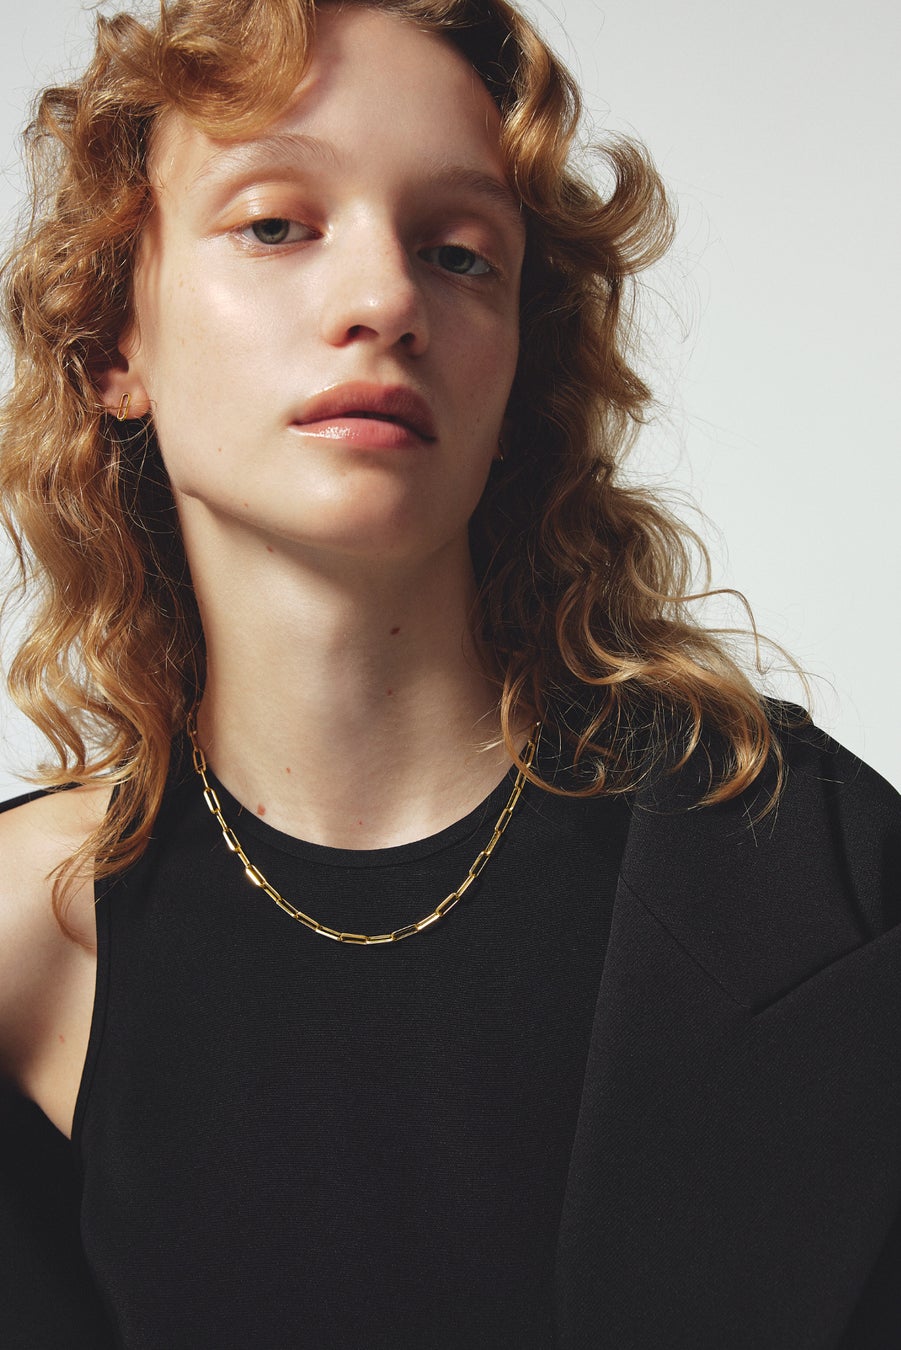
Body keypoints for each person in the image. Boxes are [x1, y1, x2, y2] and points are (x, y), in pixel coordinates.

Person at [0, 0, 898, 1346]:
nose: (385, 301)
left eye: (459, 253)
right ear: (116, 343)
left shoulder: (802, 860)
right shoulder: (24, 947)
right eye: (275, 225)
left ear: (516, 367)